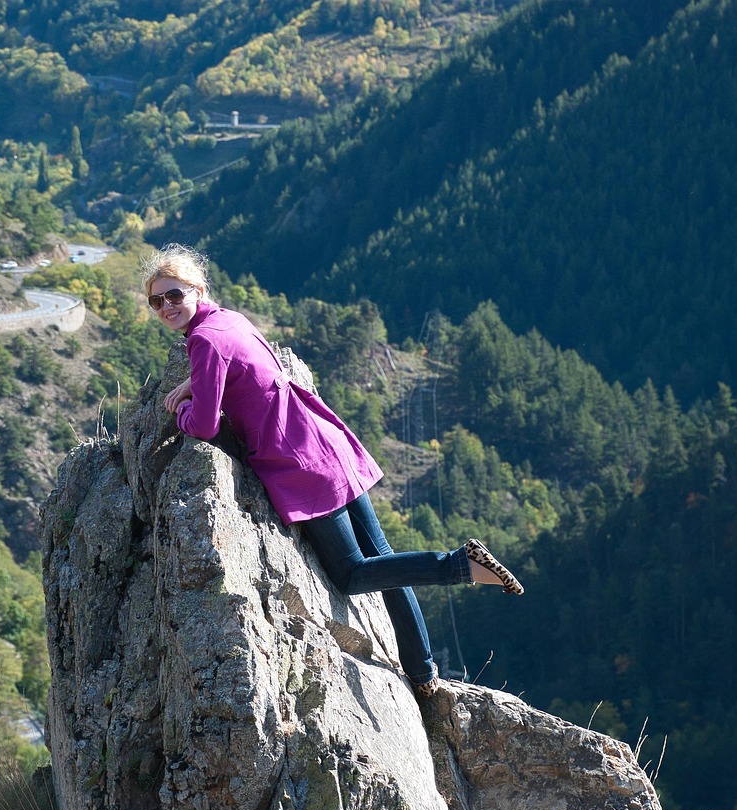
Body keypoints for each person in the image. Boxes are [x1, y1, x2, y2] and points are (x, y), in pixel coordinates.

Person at [143, 244, 523, 698]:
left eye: (174, 296)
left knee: (353, 573)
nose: (167, 307)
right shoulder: (229, 320)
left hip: (299, 463)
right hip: (326, 443)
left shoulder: (204, 340)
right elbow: (243, 365)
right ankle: (422, 670)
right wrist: (198, 380)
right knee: (384, 556)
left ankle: (459, 565)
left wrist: (180, 410)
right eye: (157, 301)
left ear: (197, 290)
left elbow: (204, 425)